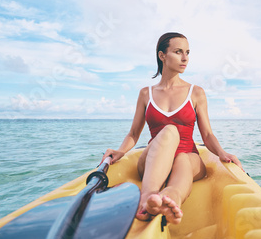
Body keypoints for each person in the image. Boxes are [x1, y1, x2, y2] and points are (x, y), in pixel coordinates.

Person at [101, 32, 242, 225]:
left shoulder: (196, 93)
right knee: (169, 131)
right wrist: (119, 151)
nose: (185, 58)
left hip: (188, 158)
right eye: (178, 52)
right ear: (162, 56)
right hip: (153, 159)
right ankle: (148, 196)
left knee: (182, 159)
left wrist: (222, 153)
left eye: (187, 52)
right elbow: (134, 134)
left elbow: (207, 134)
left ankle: (170, 199)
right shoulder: (146, 94)